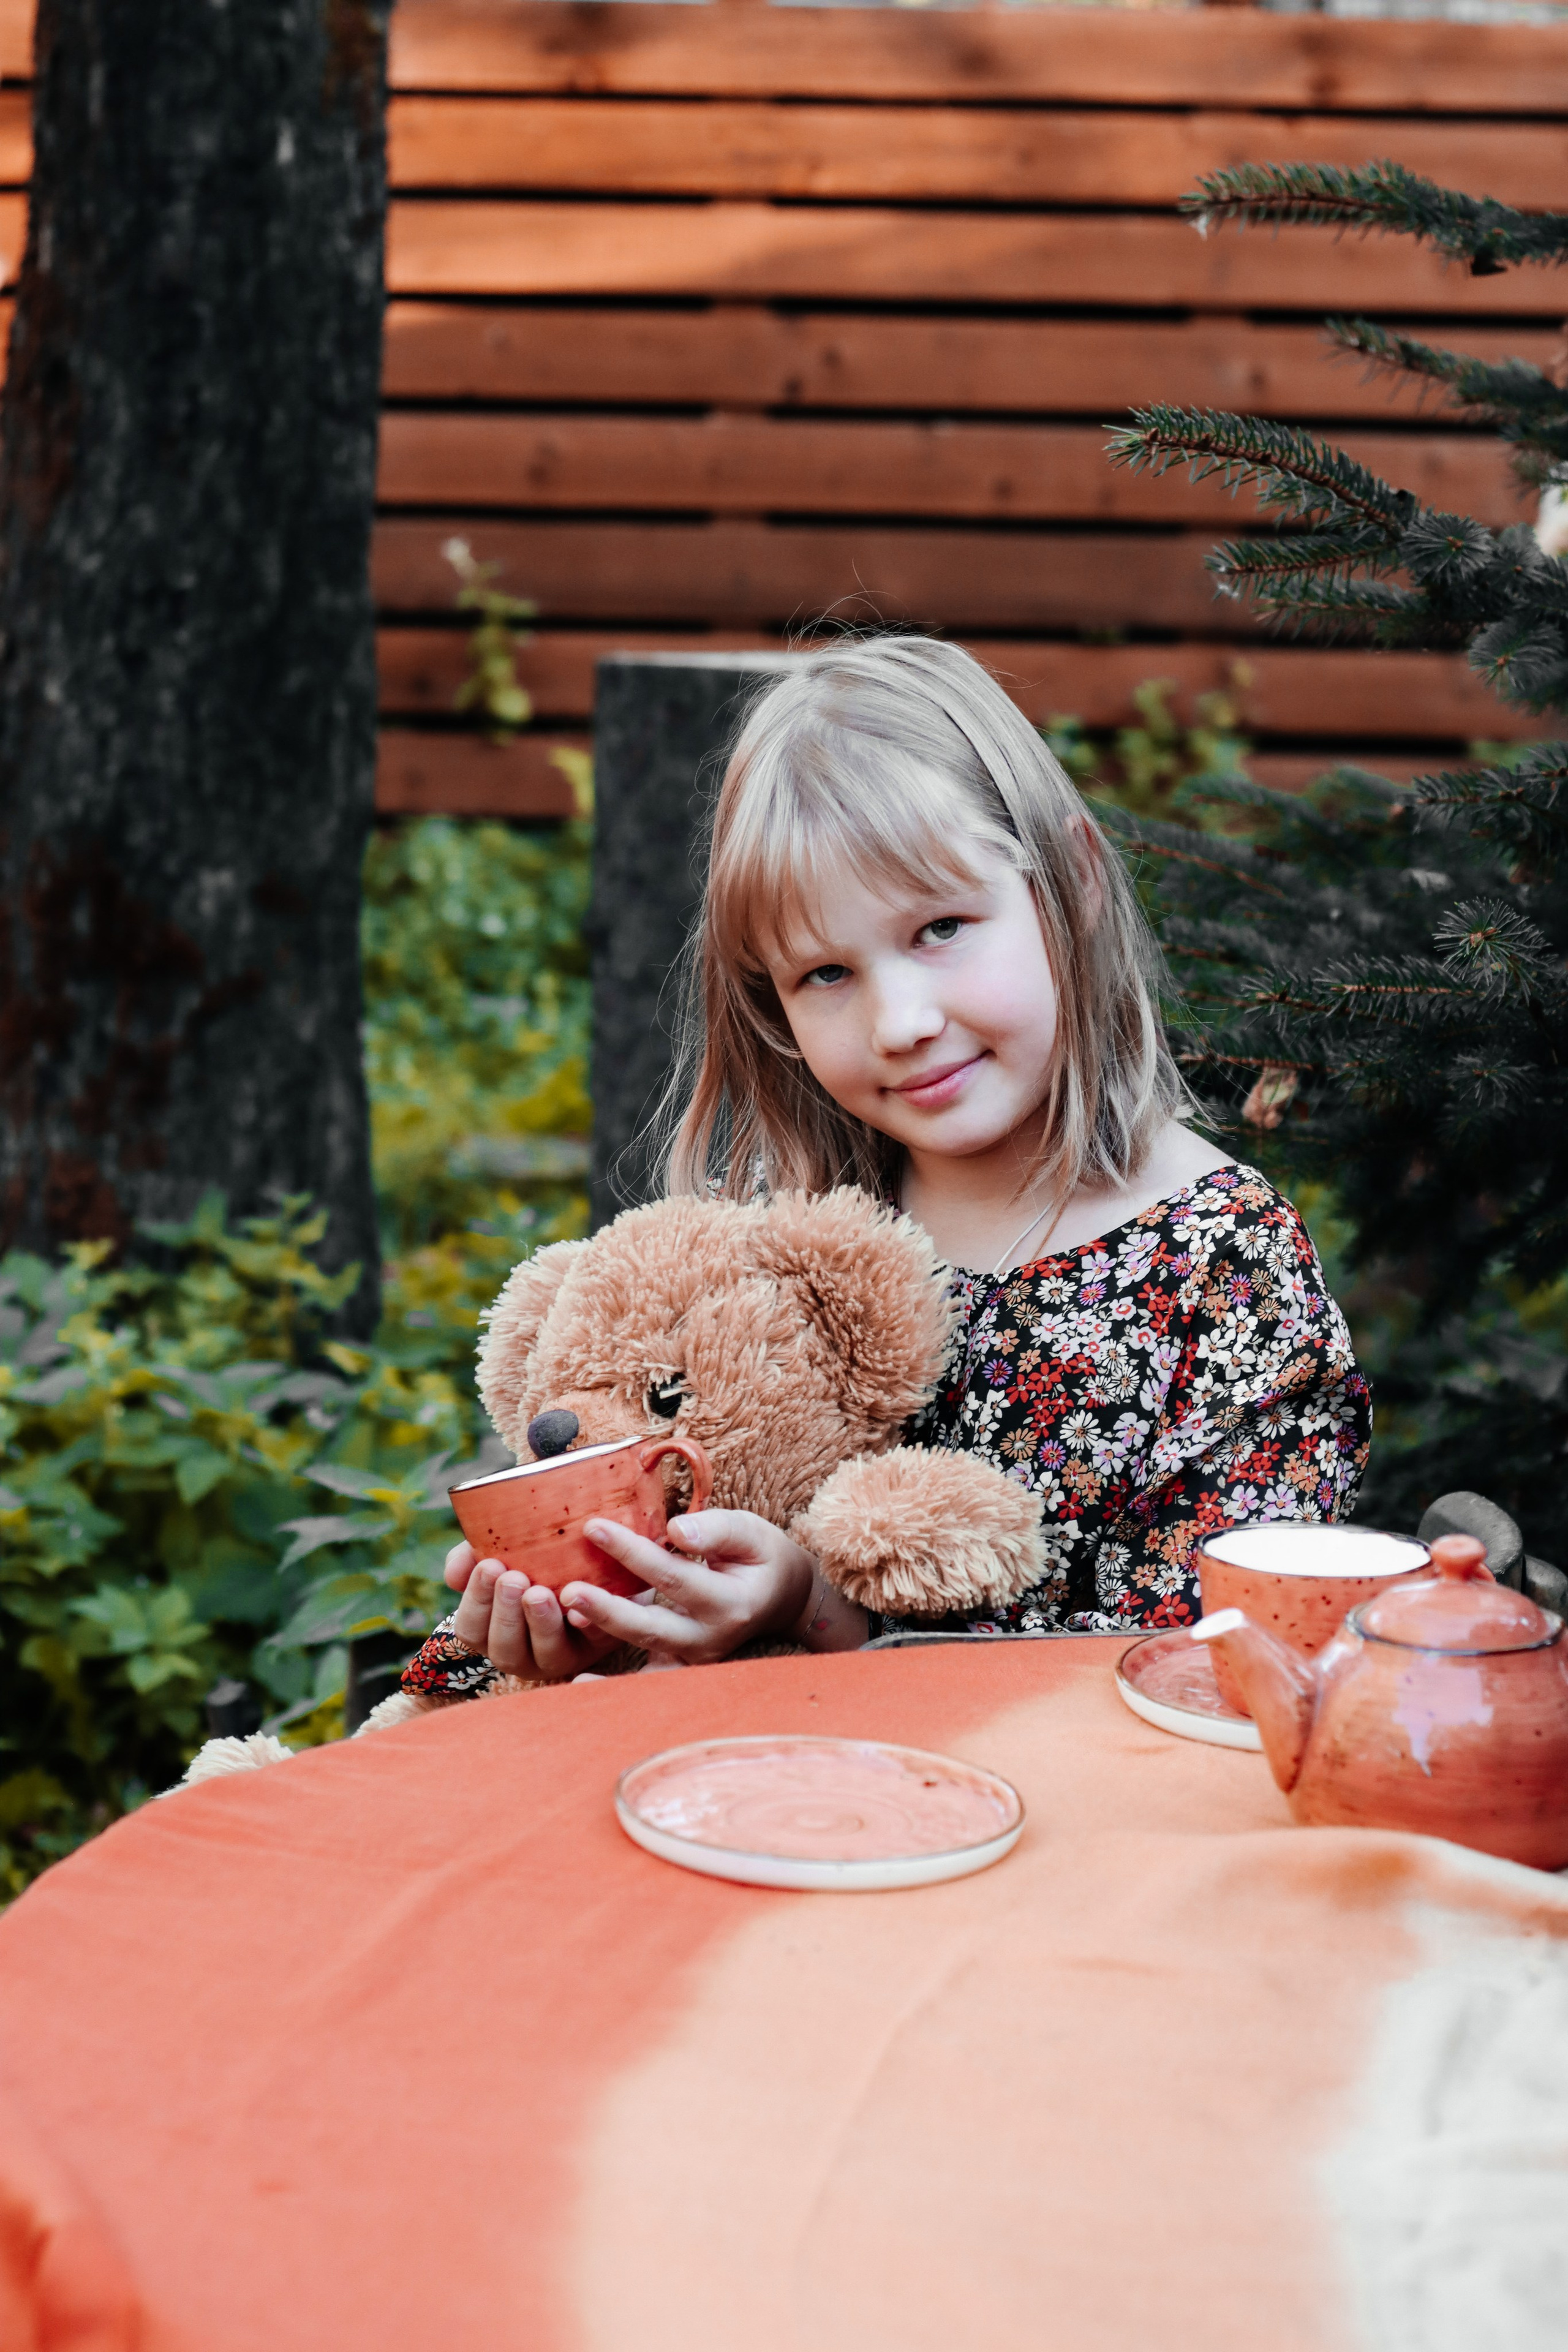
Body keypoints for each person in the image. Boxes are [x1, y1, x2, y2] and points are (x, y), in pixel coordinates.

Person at [433, 637, 1370, 1687]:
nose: (900, 1023)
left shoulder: (1223, 1267)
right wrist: (594, 1626)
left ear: (1075, 884)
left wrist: (816, 1612)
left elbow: (1210, 1671)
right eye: (826, 971)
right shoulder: (782, 1234)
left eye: (941, 928)